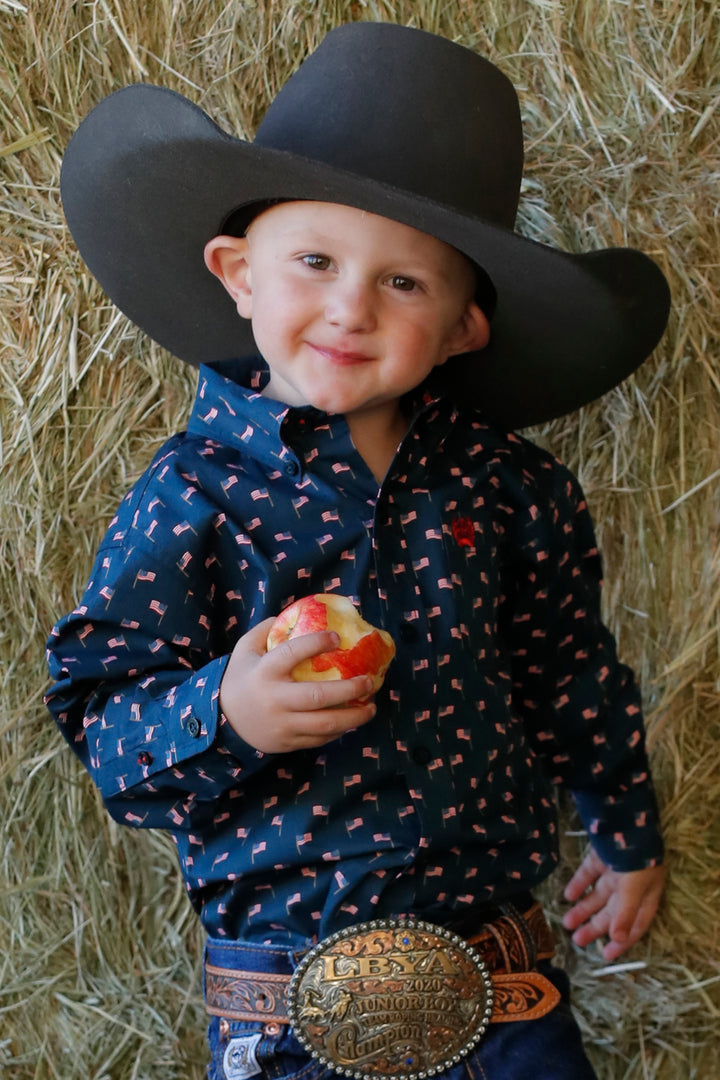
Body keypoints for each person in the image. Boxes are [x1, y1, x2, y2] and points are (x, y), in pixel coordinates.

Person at [46, 21, 669, 1080]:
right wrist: (226, 713)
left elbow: (570, 672)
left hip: (504, 992)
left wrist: (623, 831)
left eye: (405, 283)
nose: (349, 307)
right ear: (238, 273)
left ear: (465, 327)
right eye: (317, 261)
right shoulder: (187, 498)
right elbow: (105, 723)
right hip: (290, 1007)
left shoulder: (512, 488)